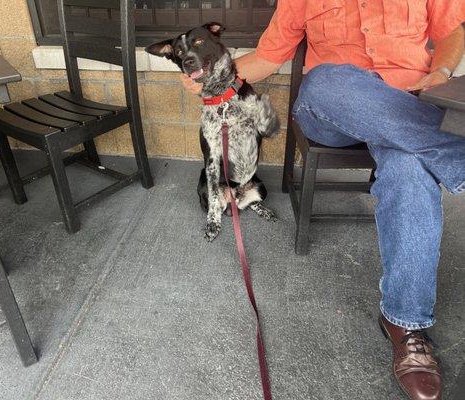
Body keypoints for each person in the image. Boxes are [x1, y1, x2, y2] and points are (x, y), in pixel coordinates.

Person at [181, 2, 464, 399]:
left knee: (409, 166)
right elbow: (268, 56)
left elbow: (454, 29)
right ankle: (457, 155)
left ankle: (406, 321)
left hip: (406, 106)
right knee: (326, 79)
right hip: (329, 107)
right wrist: (212, 77)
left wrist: (443, 71)